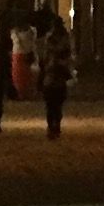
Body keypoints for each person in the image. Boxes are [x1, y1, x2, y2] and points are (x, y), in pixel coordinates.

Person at [36, 9, 74, 140]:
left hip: (52, 74)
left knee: (51, 105)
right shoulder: (62, 38)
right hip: (56, 74)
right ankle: (55, 126)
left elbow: (45, 56)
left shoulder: (51, 38)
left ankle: (53, 126)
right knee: (56, 105)